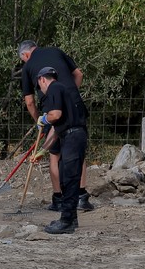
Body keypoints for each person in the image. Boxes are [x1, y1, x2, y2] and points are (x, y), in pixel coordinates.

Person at [18, 40, 94, 211]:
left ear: (26, 55)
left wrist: (39, 119)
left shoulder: (28, 66)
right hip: (75, 104)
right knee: (78, 150)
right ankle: (82, 197)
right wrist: (67, 96)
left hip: (51, 109)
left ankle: (58, 199)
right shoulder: (56, 51)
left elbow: (29, 102)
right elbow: (79, 74)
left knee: (55, 155)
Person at [35, 67, 88, 234]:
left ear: (42, 79)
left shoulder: (54, 88)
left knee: (70, 178)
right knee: (66, 178)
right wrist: (42, 151)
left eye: (39, 85)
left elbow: (55, 115)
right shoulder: (62, 90)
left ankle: (66, 221)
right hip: (70, 136)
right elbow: (57, 129)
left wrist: (44, 118)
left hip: (73, 138)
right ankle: (70, 218)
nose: (41, 90)